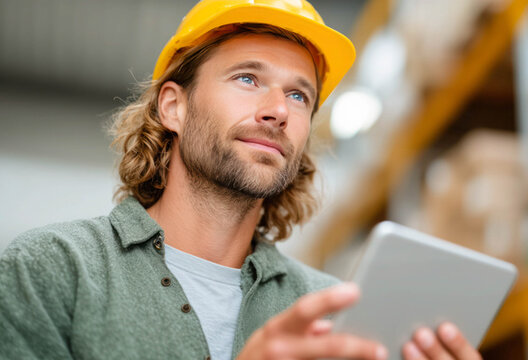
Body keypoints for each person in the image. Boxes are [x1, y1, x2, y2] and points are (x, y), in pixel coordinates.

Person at [0, 1, 482, 359]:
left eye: (298, 95)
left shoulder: (331, 312)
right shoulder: (53, 271)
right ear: (174, 106)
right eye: (248, 79)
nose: (277, 111)